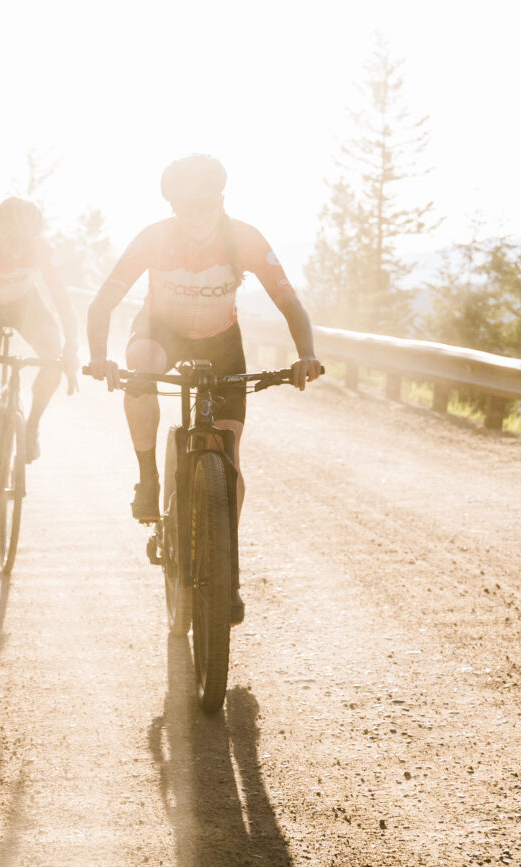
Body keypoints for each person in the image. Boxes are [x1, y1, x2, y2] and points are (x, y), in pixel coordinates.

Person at [85, 154, 322, 622]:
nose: (196, 216)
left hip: (222, 344)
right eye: (185, 207)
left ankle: (227, 574)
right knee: (142, 364)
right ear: (172, 206)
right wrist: (98, 356)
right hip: (159, 333)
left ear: (221, 200)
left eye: (205, 204)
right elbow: (102, 303)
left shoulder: (244, 238)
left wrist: (306, 354)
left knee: (229, 459)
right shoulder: (154, 238)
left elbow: (288, 299)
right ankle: (149, 476)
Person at [0, 197, 78, 532]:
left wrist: (73, 346)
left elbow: (60, 298)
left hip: (24, 305)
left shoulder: (39, 248)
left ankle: (32, 425)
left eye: (24, 243)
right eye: (11, 241)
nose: (16, 250)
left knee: (52, 352)